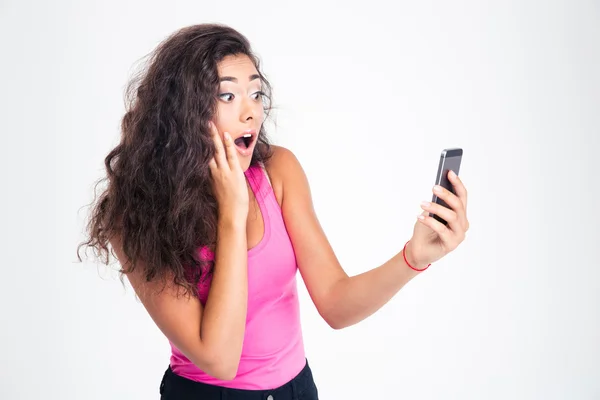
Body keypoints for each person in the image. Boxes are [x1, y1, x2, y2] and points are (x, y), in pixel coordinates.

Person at [77, 23, 469, 400]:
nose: (251, 112)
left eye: (255, 93)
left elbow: (335, 303)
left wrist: (413, 258)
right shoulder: (134, 216)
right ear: (182, 113)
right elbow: (219, 360)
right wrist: (232, 212)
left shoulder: (278, 171)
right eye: (227, 96)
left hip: (296, 390)